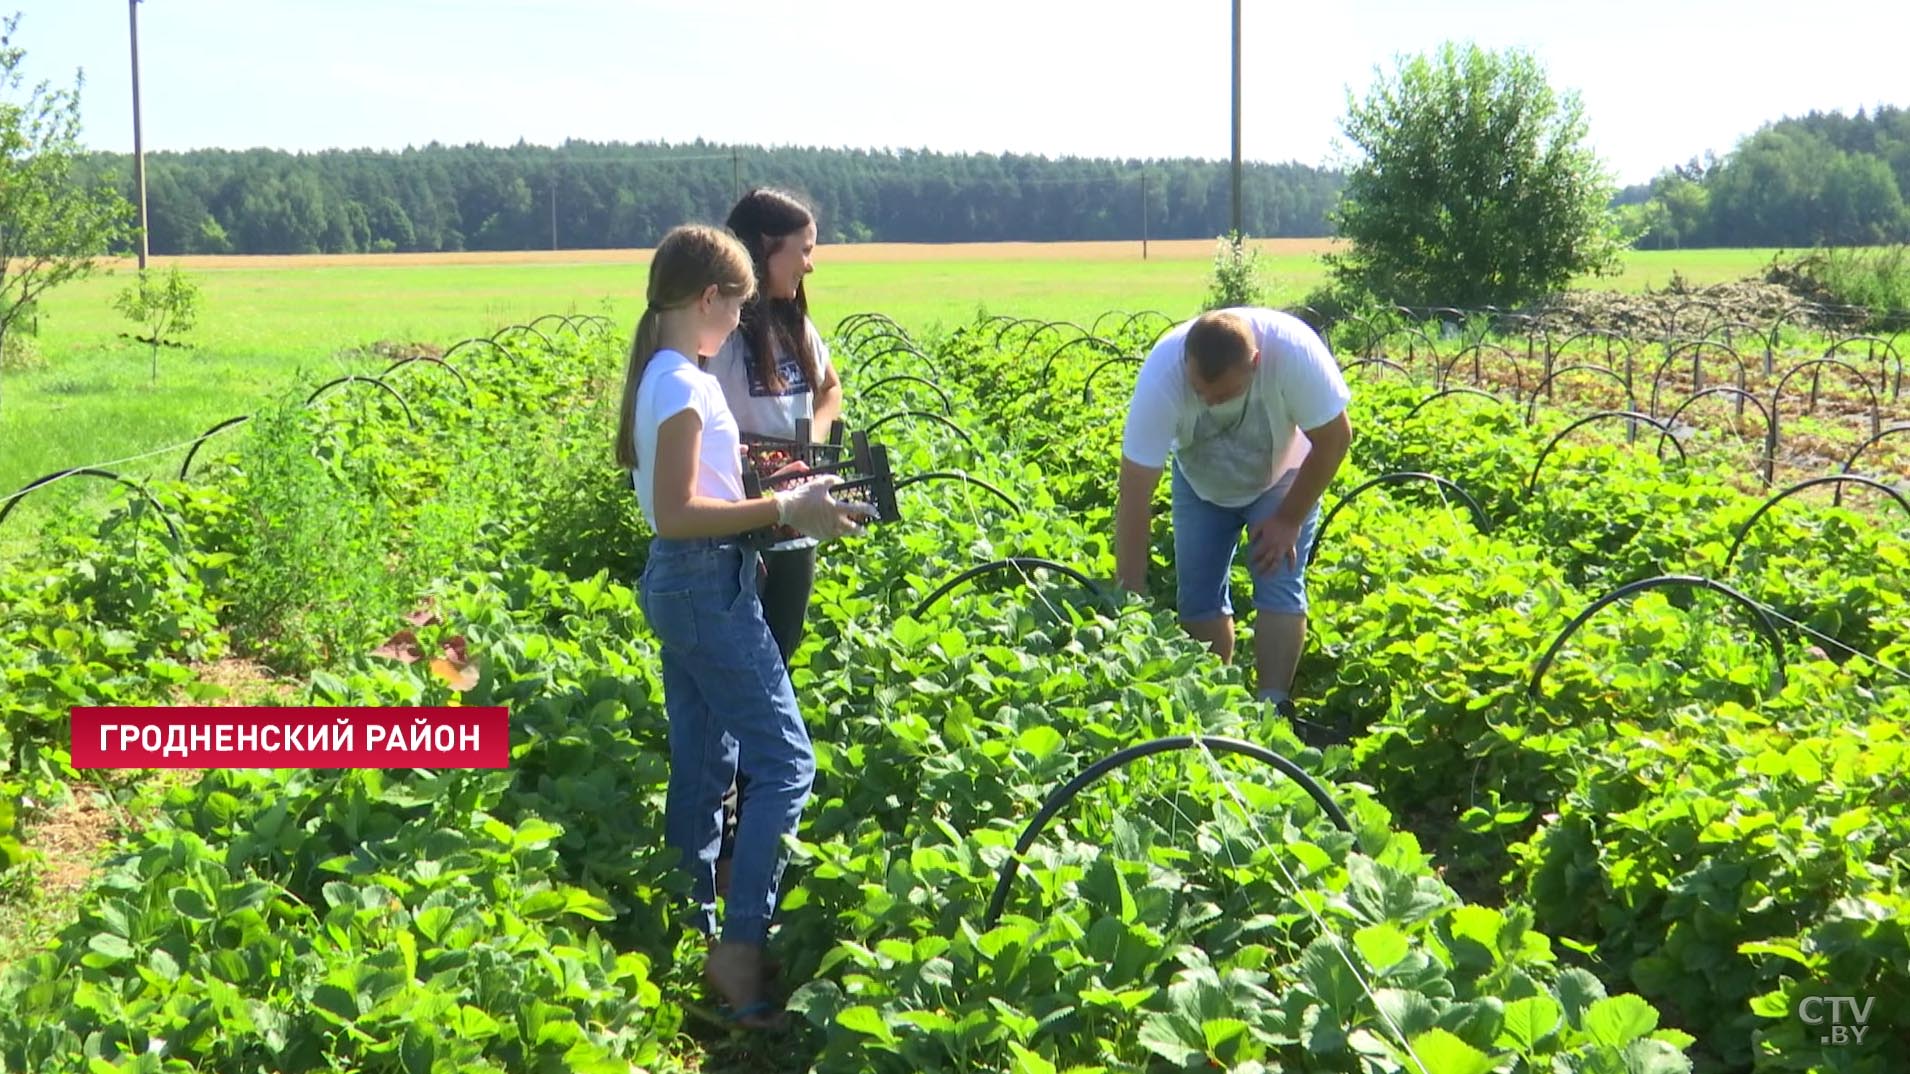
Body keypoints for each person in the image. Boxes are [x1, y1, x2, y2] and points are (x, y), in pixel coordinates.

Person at [616, 223, 872, 1029]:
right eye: (736, 306)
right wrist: (787, 506)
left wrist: (779, 485)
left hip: (692, 583)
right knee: (786, 762)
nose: (741, 322)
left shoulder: (663, 373)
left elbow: (692, 496)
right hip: (702, 582)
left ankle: (686, 924)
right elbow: (677, 512)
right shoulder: (686, 386)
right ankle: (737, 950)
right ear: (707, 299)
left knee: (705, 758)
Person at [1113, 307, 1353, 733]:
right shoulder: (1162, 376)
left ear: (1255, 364)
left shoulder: (1293, 352)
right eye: (1199, 392)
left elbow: (1335, 439)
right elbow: (1134, 493)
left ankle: (1273, 711)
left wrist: (1288, 519)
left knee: (1278, 578)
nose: (1206, 401)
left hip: (1281, 480)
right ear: (1185, 361)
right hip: (1200, 484)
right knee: (1199, 595)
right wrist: (1126, 601)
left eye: (1220, 396)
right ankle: (1211, 706)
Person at [708, 188, 843, 663]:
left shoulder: (796, 325)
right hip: (738, 521)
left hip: (795, 520)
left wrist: (808, 446)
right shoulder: (722, 331)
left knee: (779, 653)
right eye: (803, 250)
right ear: (766, 245)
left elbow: (831, 389)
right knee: (737, 661)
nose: (809, 265)